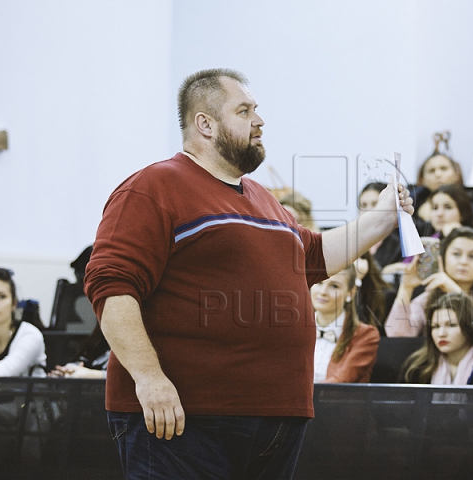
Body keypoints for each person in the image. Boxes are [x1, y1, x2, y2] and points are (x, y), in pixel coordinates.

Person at [83, 68, 414, 479]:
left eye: (256, 110)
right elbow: (111, 286)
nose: (259, 121)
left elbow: (312, 256)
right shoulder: (154, 186)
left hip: (274, 420)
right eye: (244, 111)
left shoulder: (263, 198)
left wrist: (381, 219)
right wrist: (149, 378)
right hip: (186, 419)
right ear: (205, 123)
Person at [385, 227, 473, 337]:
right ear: (443, 259)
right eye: (456, 254)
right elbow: (397, 334)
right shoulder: (426, 299)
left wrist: (455, 292)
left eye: (472, 256)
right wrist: (406, 288)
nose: (463, 261)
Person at [311, 264, 379, 383]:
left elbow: (340, 382)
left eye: (334, 286)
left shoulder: (366, 335)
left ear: (350, 293)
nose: (323, 292)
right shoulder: (292, 330)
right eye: (319, 283)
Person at [400, 292, 473, 384]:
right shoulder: (416, 367)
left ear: (469, 327)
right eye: (435, 326)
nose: (441, 334)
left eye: (451, 325)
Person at [0, 267, 47, 377]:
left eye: (1, 296)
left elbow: (3, 374)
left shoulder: (30, 335)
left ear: (14, 304)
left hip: (31, 394)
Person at [413, 145, 464, 222]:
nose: (438, 174)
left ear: (456, 175)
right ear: (422, 179)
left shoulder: (471, 201)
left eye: (443, 168)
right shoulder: (413, 202)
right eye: (432, 170)